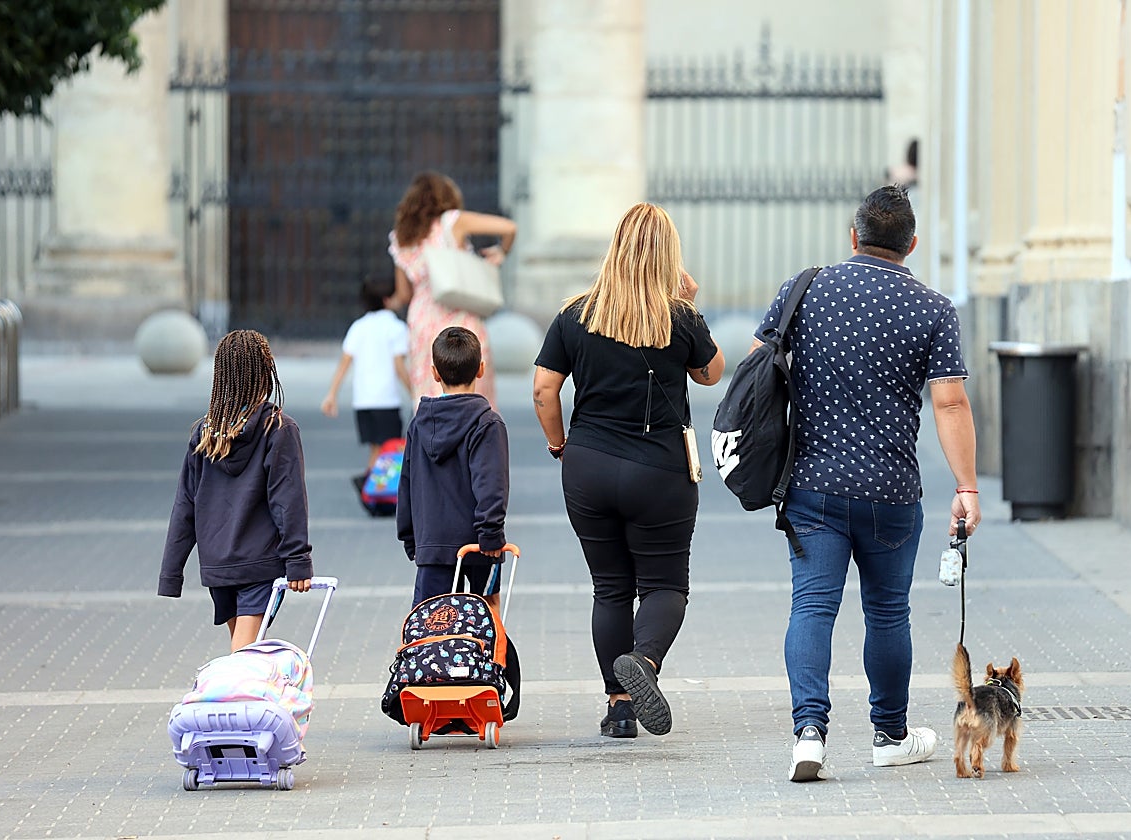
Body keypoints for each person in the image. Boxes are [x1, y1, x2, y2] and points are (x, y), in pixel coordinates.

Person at [756, 185, 981, 782]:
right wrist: (968, 487)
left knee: (812, 606)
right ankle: (889, 734)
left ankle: (808, 735)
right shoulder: (932, 308)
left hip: (812, 485)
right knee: (887, 613)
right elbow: (951, 404)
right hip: (891, 491)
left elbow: (758, 365)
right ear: (912, 244)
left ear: (853, 236)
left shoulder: (804, 290)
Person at [532, 202, 725, 740]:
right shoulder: (678, 316)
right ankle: (644, 661)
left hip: (588, 465)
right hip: (660, 472)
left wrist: (558, 446)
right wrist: (688, 302)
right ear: (668, 255)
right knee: (664, 585)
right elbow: (711, 374)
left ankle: (619, 709)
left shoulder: (576, 314)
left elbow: (544, 389)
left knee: (609, 588)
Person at [158, 329, 314, 652]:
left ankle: (253, 700)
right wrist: (298, 560)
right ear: (266, 373)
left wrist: (171, 571)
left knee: (246, 648)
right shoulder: (278, 429)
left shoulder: (206, 432)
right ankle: (227, 702)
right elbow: (288, 501)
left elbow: (184, 504)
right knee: (243, 656)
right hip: (260, 561)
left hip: (217, 563)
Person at [397, 326, 509, 611]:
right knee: (488, 611)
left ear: (435, 373)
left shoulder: (419, 424)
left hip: (432, 543)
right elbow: (491, 484)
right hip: (479, 544)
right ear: (481, 369)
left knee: (432, 620)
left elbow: (407, 483)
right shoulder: (487, 423)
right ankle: (488, 657)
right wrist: (491, 534)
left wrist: (412, 538)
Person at [387, 171, 517, 408]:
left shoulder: (401, 237)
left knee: (429, 389)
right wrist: (502, 252)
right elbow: (508, 228)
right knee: (473, 392)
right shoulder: (451, 221)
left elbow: (404, 294)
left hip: (423, 318)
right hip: (460, 314)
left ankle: (433, 439)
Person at [320, 276, 411, 488]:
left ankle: (373, 488)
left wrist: (332, 394)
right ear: (387, 300)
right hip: (386, 399)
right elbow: (399, 366)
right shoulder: (396, 327)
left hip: (363, 401)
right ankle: (371, 488)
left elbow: (345, 362)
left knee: (377, 448)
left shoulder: (358, 326)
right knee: (389, 448)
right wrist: (415, 392)